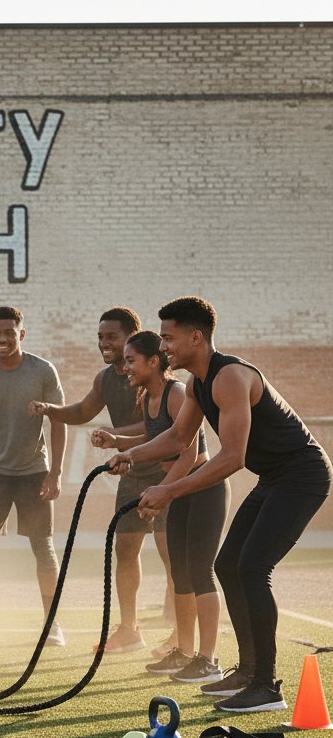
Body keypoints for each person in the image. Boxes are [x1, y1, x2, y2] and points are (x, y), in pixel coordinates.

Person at [110, 296, 331, 713]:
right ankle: (247, 672)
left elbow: (232, 457)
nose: (165, 347)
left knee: (252, 567)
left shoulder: (230, 376)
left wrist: (168, 492)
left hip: (303, 475)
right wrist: (130, 455)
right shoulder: (196, 383)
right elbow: (178, 438)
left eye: (169, 338)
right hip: (275, 477)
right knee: (229, 564)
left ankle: (266, 686)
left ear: (196, 337)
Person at [28, 306, 176, 654]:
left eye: (111, 337)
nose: (104, 344)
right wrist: (49, 409)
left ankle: (181, 635)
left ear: (132, 338)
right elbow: (80, 412)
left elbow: (159, 427)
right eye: (100, 338)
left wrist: (116, 436)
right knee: (124, 550)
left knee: (173, 556)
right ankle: (130, 630)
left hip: (167, 473)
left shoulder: (160, 381)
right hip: (131, 473)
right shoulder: (106, 379)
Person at [90, 331, 229, 683]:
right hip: (179, 491)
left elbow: (191, 451)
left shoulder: (177, 392)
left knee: (199, 572)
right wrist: (120, 444)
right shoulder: (147, 396)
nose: (125, 367)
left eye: (131, 360)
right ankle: (183, 651)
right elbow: (156, 437)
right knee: (181, 574)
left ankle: (207, 659)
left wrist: (165, 489)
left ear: (154, 361)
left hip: (202, 489)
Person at [0, 306, 67, 648]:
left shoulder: (42, 371)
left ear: (21, 333)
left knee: (44, 548)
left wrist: (56, 472)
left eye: (8, 332)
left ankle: (52, 624)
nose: (1, 338)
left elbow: (59, 421)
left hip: (34, 472)